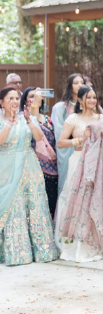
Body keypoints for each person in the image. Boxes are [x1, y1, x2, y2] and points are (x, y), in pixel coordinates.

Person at [55, 86, 103, 263]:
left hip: (99, 164)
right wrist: (81, 140)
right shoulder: (73, 119)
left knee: (96, 201)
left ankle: (98, 244)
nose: (92, 100)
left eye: (94, 97)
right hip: (78, 161)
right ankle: (75, 245)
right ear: (81, 100)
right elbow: (61, 143)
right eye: (88, 97)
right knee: (76, 200)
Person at [0, 85, 59, 264]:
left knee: (34, 205)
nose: (14, 102)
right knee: (13, 206)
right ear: (1, 102)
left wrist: (29, 121)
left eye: (16, 98)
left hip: (30, 166)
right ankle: (17, 252)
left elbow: (39, 137)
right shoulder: (1, 121)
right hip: (8, 168)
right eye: (10, 98)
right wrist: (8, 125)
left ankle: (42, 251)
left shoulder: (26, 118)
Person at [51, 73, 84, 200]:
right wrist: (77, 139)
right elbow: (59, 132)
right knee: (68, 182)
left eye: (82, 82)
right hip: (67, 150)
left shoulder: (88, 106)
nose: (80, 85)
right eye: (76, 82)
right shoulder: (60, 107)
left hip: (85, 149)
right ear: (69, 86)